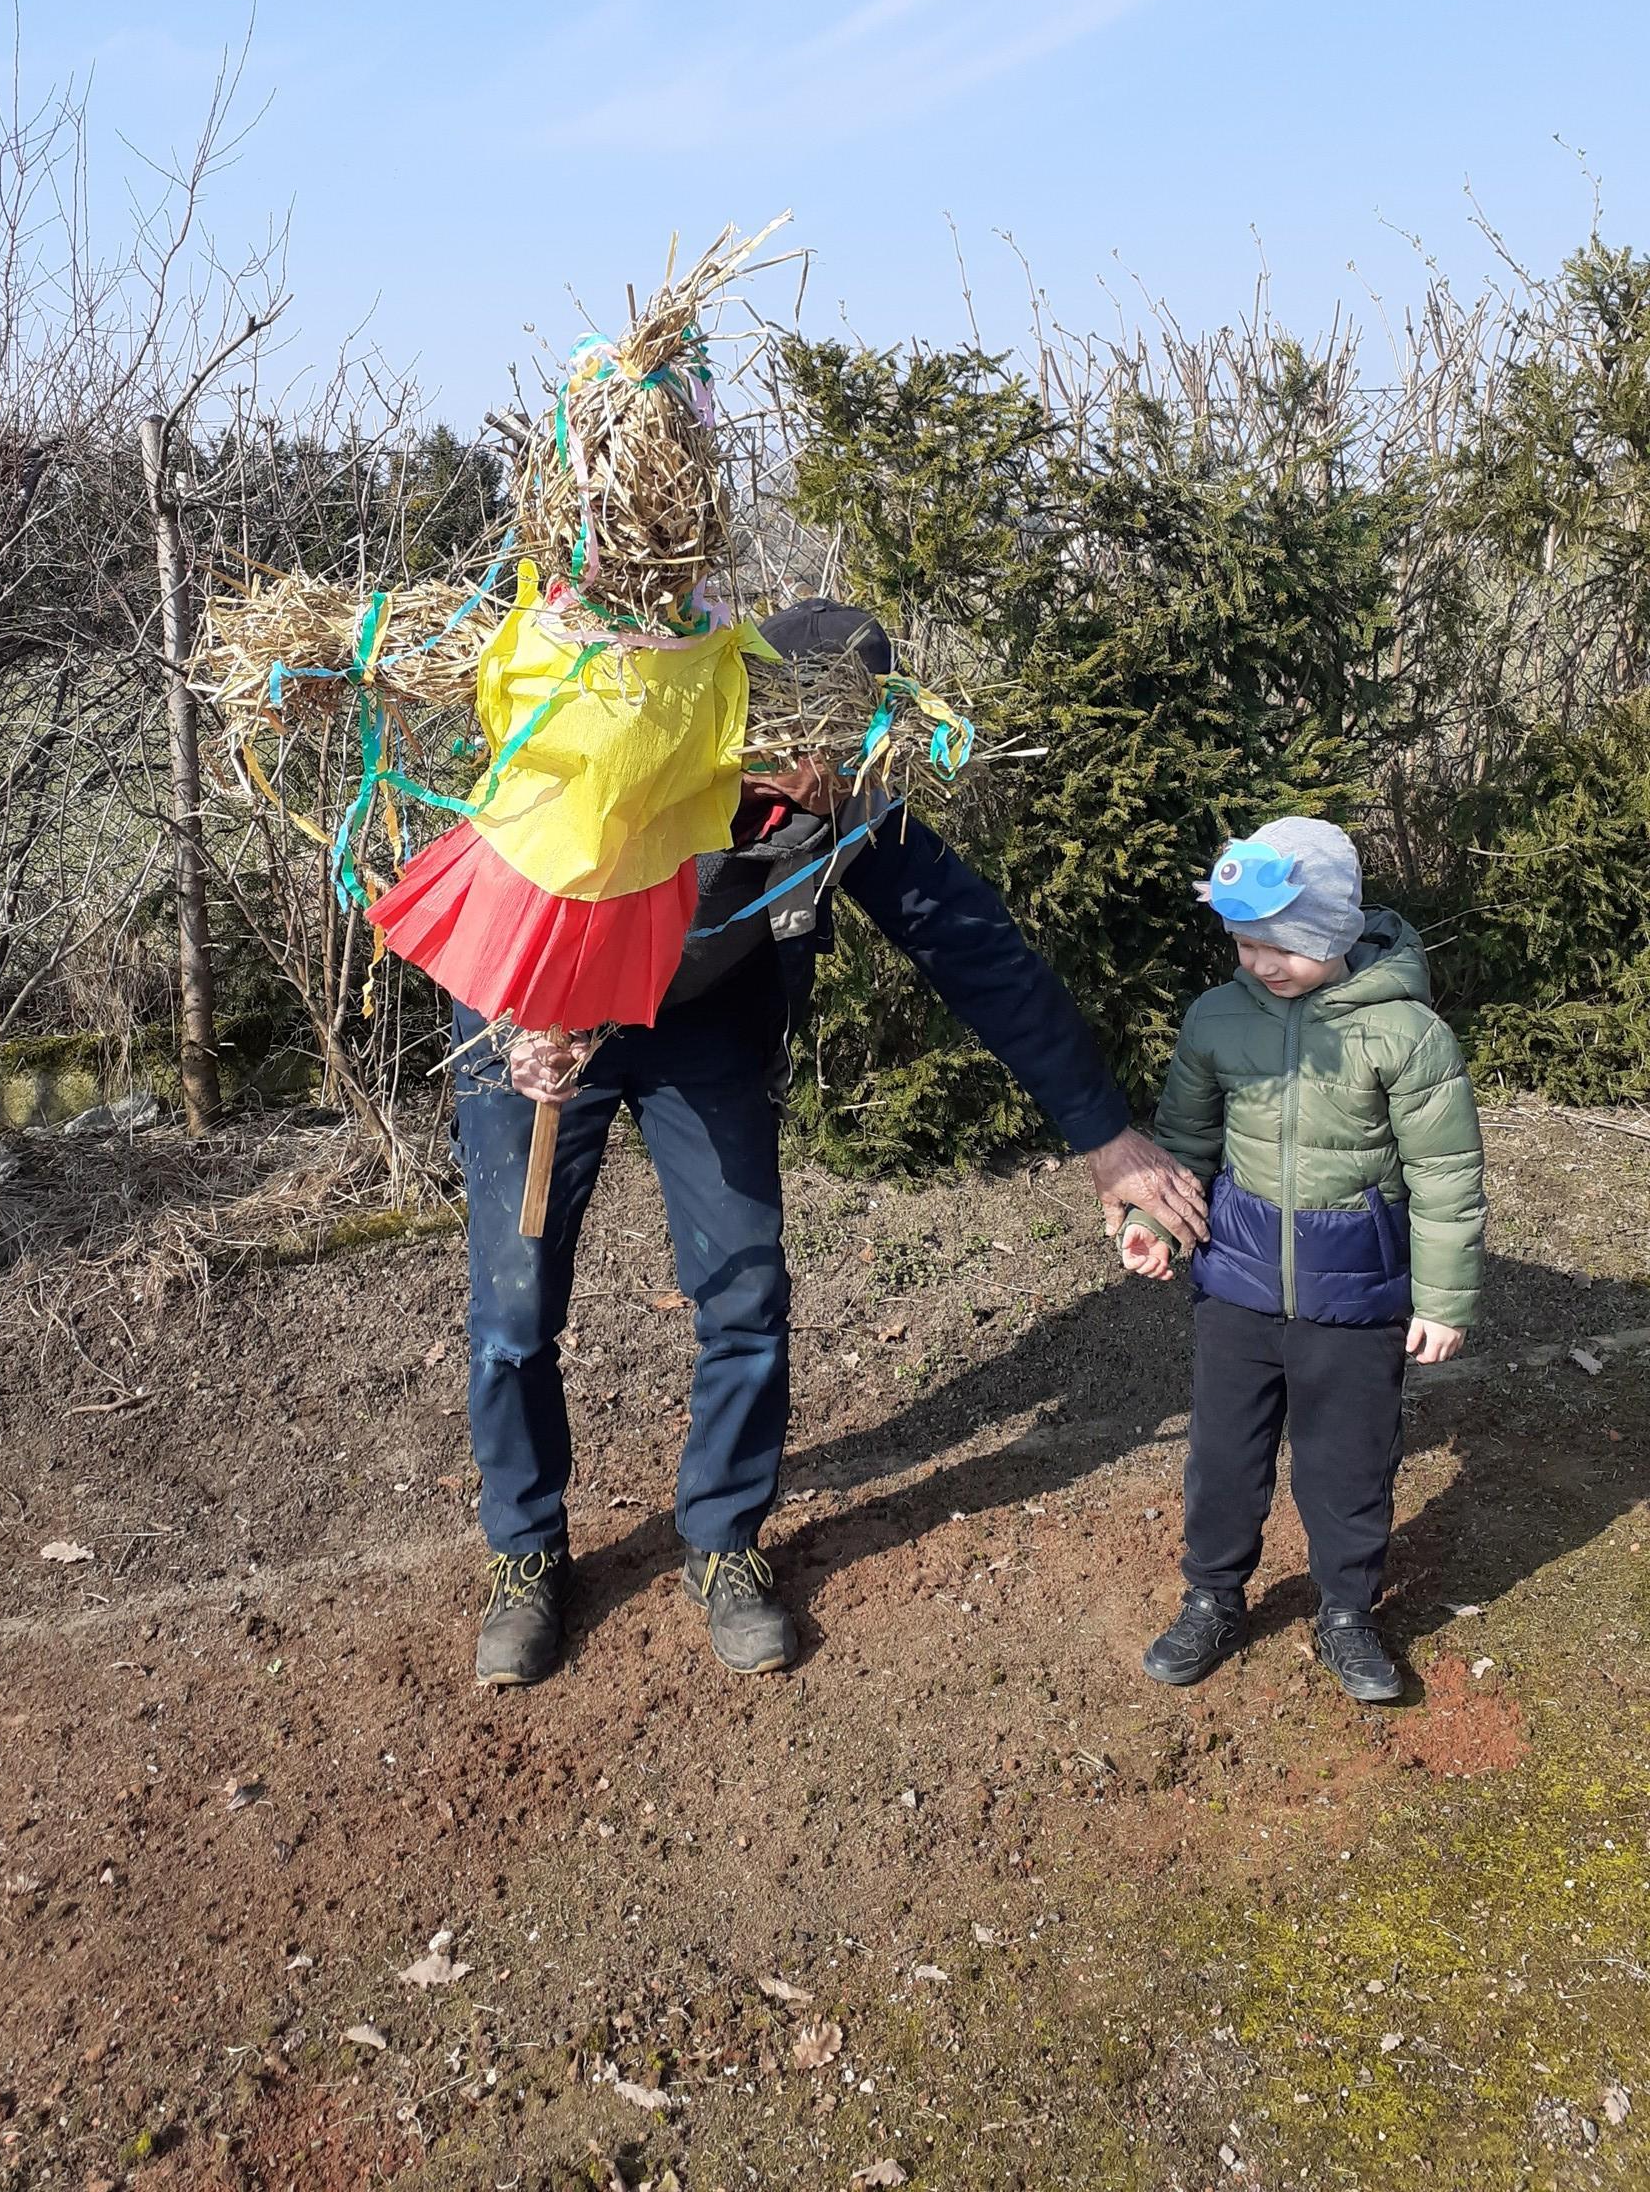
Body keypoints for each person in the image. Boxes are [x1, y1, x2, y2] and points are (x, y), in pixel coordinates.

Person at [452, 597, 1210, 1687]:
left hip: (703, 1024)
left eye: (847, 750)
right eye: (807, 745)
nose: (826, 774)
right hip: (538, 1004)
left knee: (746, 1288)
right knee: (515, 1306)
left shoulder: (849, 805)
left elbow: (978, 950)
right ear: (756, 715)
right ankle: (525, 1550)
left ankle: (722, 1538)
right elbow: (488, 876)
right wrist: (519, 1015)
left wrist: (1103, 1135)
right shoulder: (621, 744)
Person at [1120, 816, 1486, 1703]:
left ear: (1336, 929)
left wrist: (1443, 1301)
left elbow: (1446, 1176)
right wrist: (1155, 1225)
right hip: (1237, 1288)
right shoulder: (1216, 1020)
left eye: (1280, 946)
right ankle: (1212, 1597)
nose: (1259, 964)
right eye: (1244, 945)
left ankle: (1347, 1613)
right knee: (1223, 1457)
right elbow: (1186, 1143)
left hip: (1355, 1300)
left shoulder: (1405, 1035)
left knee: (1348, 1466)